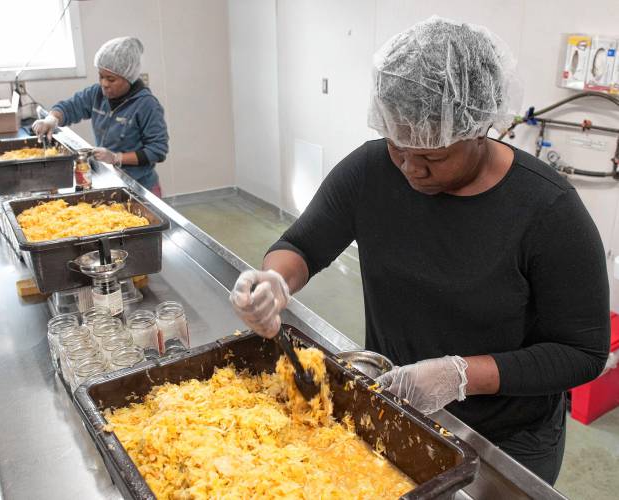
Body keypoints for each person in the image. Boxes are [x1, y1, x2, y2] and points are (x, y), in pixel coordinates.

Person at [229, 17, 610, 485]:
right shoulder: (370, 172)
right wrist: (273, 281)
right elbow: (301, 245)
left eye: (431, 155)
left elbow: (582, 351)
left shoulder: (547, 211)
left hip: (506, 438)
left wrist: (461, 375)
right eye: (397, 146)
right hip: (397, 403)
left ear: (478, 128)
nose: (411, 169)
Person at [32, 37, 169, 196]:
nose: (104, 83)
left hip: (141, 187)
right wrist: (51, 119)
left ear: (128, 78)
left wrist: (117, 158)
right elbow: (70, 107)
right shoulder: (97, 94)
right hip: (110, 181)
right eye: (101, 76)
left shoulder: (146, 105)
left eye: (111, 79)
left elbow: (157, 150)